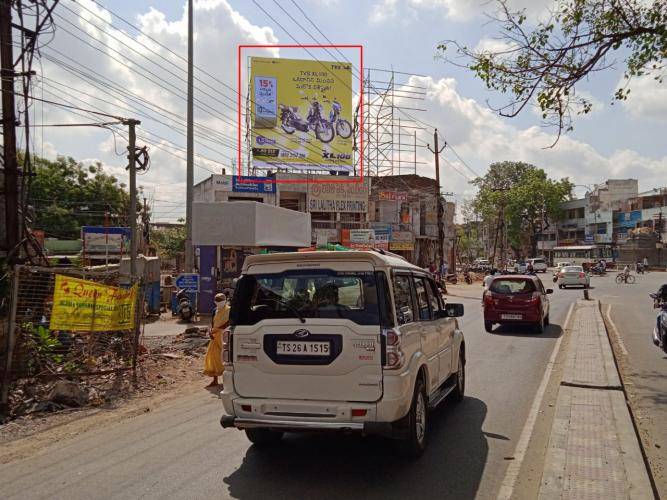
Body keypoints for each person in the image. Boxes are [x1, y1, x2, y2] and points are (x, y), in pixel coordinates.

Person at [204, 293, 230, 387]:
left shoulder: (229, 310)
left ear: (225, 301)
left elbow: (229, 322)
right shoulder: (215, 310)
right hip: (215, 336)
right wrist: (210, 331)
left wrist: (219, 328)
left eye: (220, 301)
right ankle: (215, 379)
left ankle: (227, 380)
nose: (219, 303)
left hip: (225, 336)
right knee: (213, 356)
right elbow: (212, 323)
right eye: (217, 301)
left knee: (225, 357)